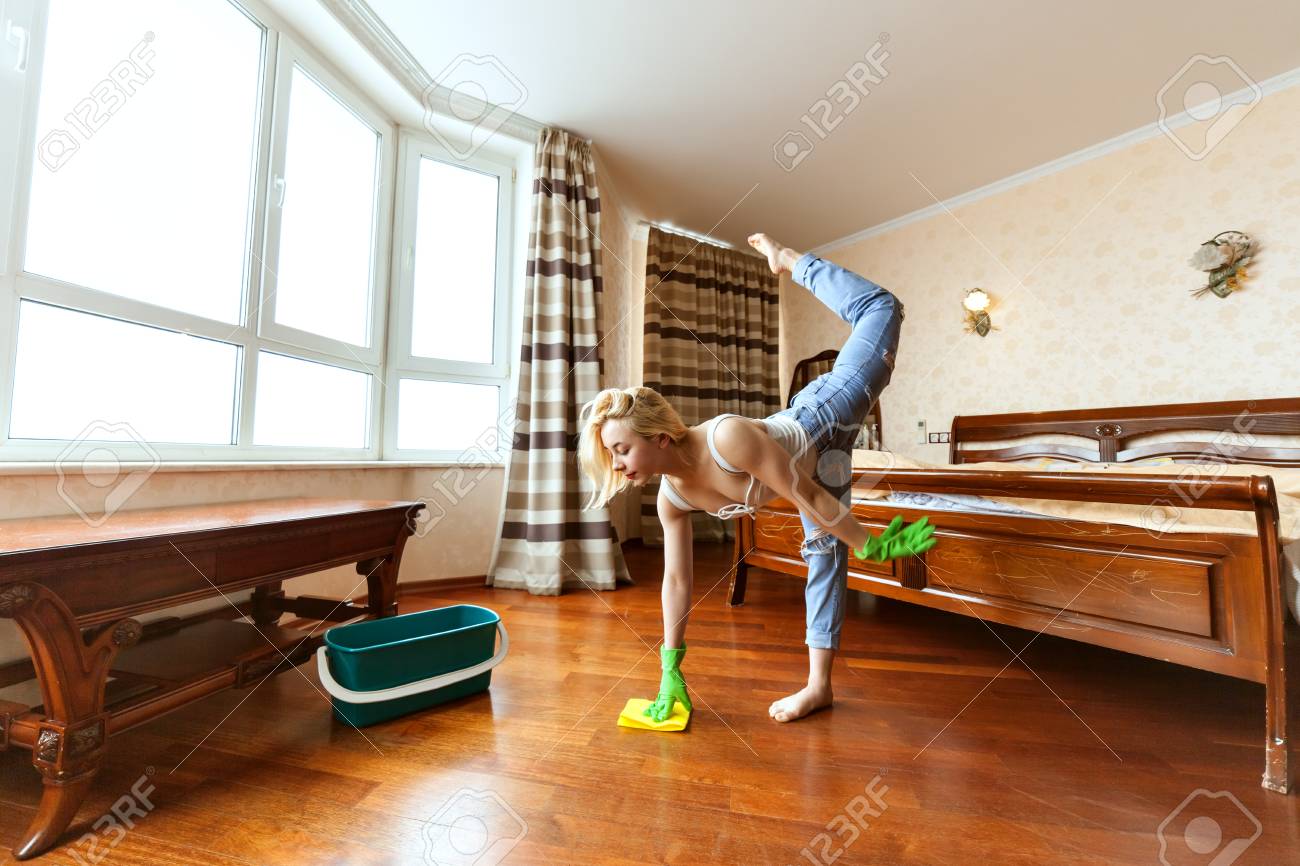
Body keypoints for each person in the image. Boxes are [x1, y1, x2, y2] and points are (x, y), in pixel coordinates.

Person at [577, 232, 927, 723]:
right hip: (817, 464)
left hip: (826, 414)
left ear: (658, 437)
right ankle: (818, 687)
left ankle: (791, 260)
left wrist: (873, 544)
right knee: (825, 552)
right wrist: (669, 667)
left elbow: (803, 494)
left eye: (621, 450)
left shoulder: (728, 439)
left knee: (883, 307)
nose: (617, 465)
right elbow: (677, 581)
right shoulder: (671, 500)